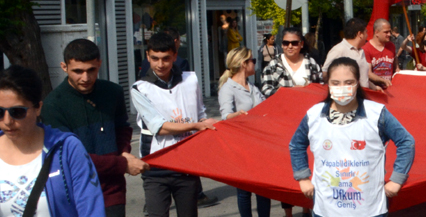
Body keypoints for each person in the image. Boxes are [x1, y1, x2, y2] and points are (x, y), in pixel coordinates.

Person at [289, 57, 416, 217]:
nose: (342, 88)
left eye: (348, 82)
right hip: (326, 209)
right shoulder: (314, 115)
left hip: (370, 209)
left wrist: (397, 180)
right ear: (328, 84)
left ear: (357, 83)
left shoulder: (377, 113)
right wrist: (302, 178)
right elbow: (296, 144)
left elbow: (406, 142)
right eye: (336, 83)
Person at [40, 39, 146, 216]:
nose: (85, 78)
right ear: (64, 67)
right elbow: (70, 158)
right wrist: (122, 163)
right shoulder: (53, 105)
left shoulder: (113, 92)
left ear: (99, 64)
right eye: (78, 71)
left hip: (113, 190)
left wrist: (124, 151)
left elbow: (122, 128)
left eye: (91, 70)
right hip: (74, 191)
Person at [1, 65, 106, 217]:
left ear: (38, 108)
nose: (7, 121)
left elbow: (91, 208)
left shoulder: (67, 148)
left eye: (17, 112)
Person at [134, 33, 217, 217]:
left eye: (166, 58)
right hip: (156, 165)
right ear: (147, 56)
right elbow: (159, 127)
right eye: (154, 58)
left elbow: (200, 114)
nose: (160, 64)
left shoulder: (191, 80)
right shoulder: (139, 88)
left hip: (187, 164)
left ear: (175, 55)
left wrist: (208, 123)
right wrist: (195, 125)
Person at [216, 47, 270, 217]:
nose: (255, 64)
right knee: (244, 191)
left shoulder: (252, 86)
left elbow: (266, 107)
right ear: (243, 64)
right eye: (252, 61)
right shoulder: (228, 88)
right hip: (241, 146)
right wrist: (237, 116)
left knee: (263, 189)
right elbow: (225, 115)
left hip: (259, 144)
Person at [324, 18, 387, 91]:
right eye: (366, 32)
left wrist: (374, 87)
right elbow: (325, 74)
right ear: (360, 34)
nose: (367, 36)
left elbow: (362, 77)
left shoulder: (361, 51)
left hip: (363, 96)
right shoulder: (338, 50)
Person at [261, 27, 323, 97]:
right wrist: (288, 91)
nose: (290, 46)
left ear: (301, 44)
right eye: (286, 43)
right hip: (283, 106)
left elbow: (321, 87)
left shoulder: (311, 63)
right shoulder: (273, 64)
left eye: (294, 43)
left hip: (308, 105)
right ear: (282, 44)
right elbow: (266, 90)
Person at [365, 19, 398, 88]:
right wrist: (383, 81)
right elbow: (368, 73)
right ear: (376, 33)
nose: (389, 34)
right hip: (374, 90)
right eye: (386, 32)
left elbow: (396, 69)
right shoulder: (366, 49)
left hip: (390, 89)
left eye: (390, 32)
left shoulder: (391, 46)